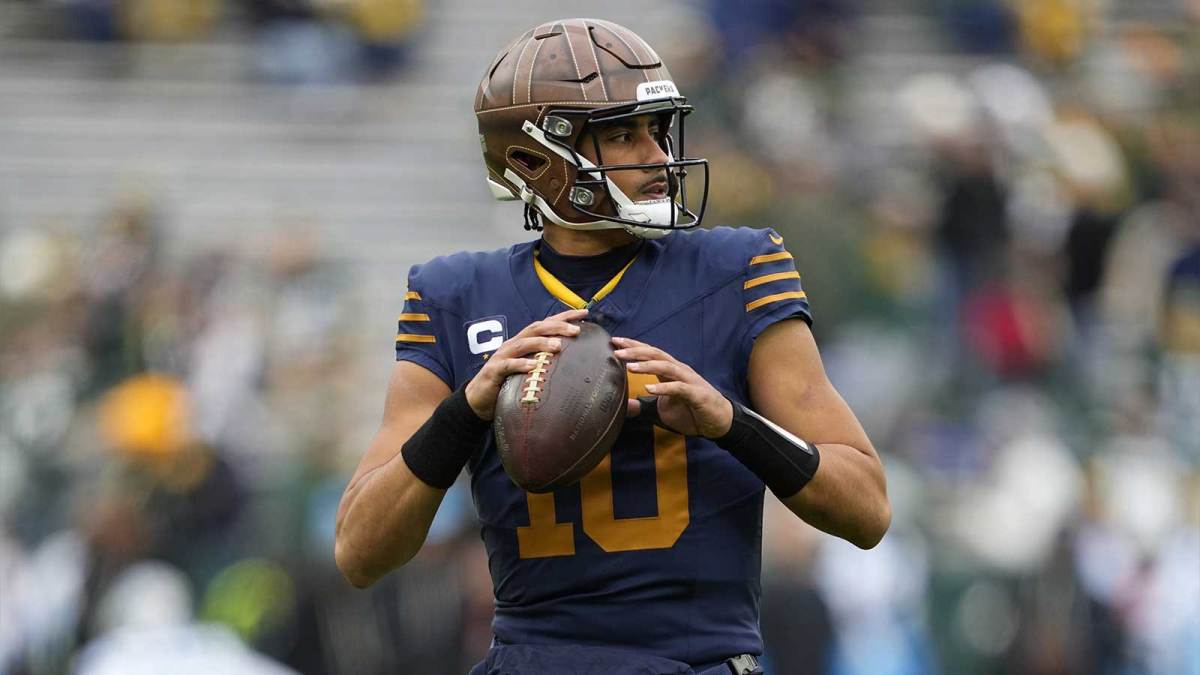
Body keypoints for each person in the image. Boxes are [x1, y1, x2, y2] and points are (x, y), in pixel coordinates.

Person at [334, 18, 890, 675]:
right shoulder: (455, 295)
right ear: (532, 160)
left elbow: (868, 509)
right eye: (624, 134)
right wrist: (466, 410)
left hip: (697, 661)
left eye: (657, 129)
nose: (657, 156)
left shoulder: (736, 269)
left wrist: (730, 422)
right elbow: (360, 551)